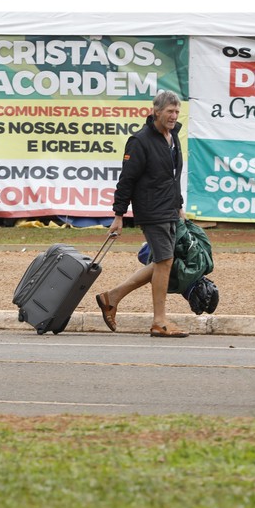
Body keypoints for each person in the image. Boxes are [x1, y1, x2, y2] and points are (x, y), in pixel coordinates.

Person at [95, 90, 189, 338]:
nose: (174, 115)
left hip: (169, 209)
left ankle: (111, 297)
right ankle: (159, 321)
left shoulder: (173, 136)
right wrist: (118, 215)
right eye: (169, 111)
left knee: (163, 262)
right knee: (165, 261)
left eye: (177, 111)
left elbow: (173, 176)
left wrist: (179, 206)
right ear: (156, 111)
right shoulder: (140, 140)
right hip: (151, 210)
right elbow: (126, 180)